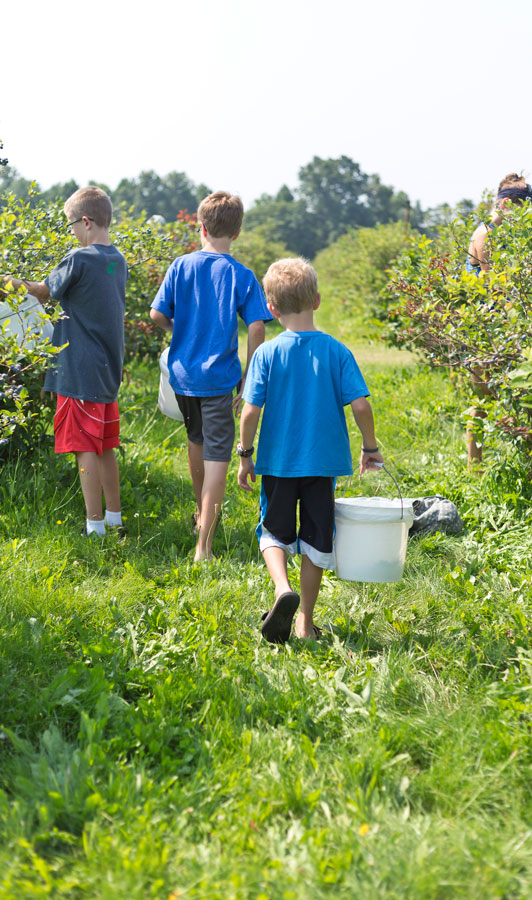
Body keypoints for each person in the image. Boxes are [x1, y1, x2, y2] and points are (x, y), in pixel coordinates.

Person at [237, 257, 384, 643]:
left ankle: (281, 587)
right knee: (317, 540)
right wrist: (370, 447)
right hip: (322, 465)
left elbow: (250, 410)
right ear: (316, 300)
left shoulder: (267, 354)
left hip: (278, 464)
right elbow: (362, 405)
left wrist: (245, 454)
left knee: (273, 531)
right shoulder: (337, 351)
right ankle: (304, 621)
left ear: (271, 309)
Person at [150, 191, 271, 560]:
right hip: (219, 380)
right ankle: (204, 545)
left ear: (200, 227)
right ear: (236, 232)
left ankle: (202, 514)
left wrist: (181, 332)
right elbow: (256, 328)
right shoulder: (242, 275)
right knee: (218, 456)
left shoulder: (181, 265)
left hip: (182, 377)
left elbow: (157, 315)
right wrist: (250, 375)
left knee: (196, 441)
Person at [3, 187, 128, 536]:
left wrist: (7, 282)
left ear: (86, 221)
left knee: (83, 448)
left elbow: (43, 291)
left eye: (72, 224)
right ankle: (114, 518)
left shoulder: (80, 258)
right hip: (106, 370)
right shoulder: (117, 260)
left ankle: (94, 526)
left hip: (78, 368)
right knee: (104, 445)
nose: (71, 231)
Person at [464, 173, 532, 464]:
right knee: (482, 401)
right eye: (522, 207)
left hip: (504, 326)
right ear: (506, 204)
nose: (526, 214)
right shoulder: (485, 234)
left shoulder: (502, 233)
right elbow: (496, 283)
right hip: (487, 328)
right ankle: (475, 468)